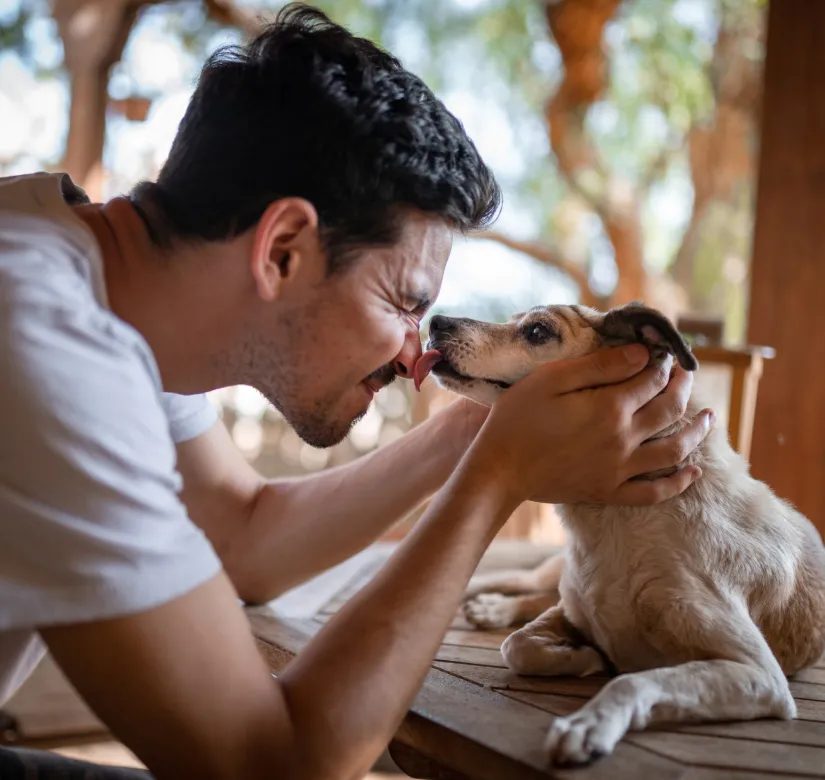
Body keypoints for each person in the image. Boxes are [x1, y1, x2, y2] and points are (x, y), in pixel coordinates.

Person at [0, 5, 713, 778]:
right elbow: (272, 762)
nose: (416, 350)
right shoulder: (47, 344)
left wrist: (477, 429)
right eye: (405, 304)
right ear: (283, 250)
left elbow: (243, 538)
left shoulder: (93, 279)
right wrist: (497, 478)